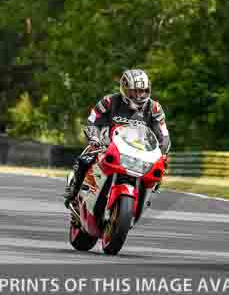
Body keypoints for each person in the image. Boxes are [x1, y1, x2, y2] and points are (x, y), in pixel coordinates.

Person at [63, 69, 171, 207]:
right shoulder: (109, 101)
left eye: (143, 90)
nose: (139, 95)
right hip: (108, 146)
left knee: (159, 171)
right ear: (124, 89)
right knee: (85, 158)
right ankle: (73, 190)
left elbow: (163, 135)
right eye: (134, 91)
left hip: (140, 152)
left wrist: (162, 154)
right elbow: (93, 120)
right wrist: (94, 138)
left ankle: (144, 199)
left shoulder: (155, 108)